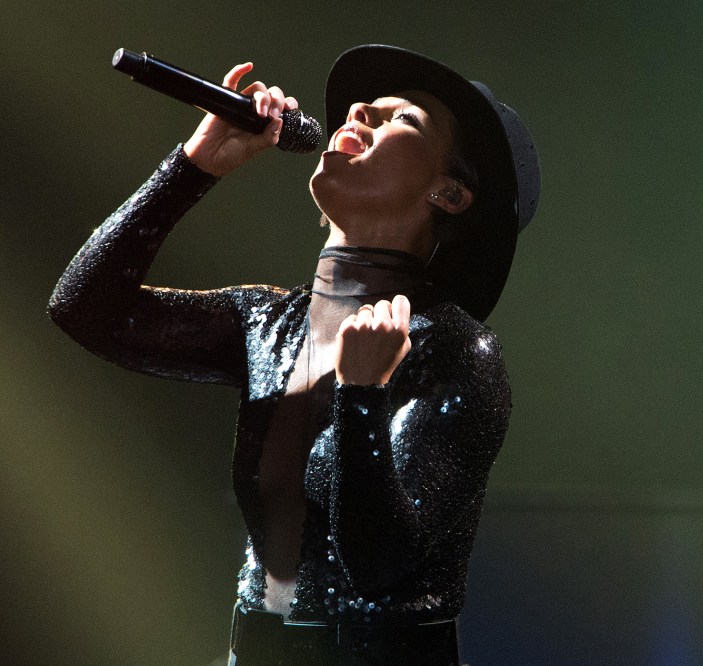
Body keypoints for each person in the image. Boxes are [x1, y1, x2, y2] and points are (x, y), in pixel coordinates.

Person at [48, 44, 540, 665]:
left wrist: (360, 398)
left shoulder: (452, 350)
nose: (357, 109)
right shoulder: (268, 324)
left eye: (401, 118)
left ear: (449, 194)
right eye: (364, 106)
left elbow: (379, 565)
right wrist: (194, 166)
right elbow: (84, 309)